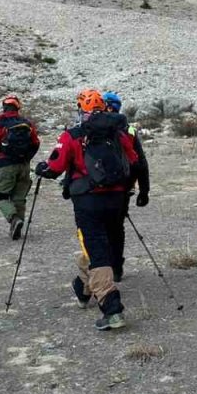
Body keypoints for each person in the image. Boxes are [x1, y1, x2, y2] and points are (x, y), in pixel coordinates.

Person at [36, 90, 141, 331]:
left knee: (96, 251)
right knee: (100, 246)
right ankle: (82, 289)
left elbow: (55, 166)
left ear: (80, 109)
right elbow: (133, 161)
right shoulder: (119, 133)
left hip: (87, 201)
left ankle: (112, 308)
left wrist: (43, 169)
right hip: (116, 199)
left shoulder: (72, 135)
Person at [102, 91, 151, 282]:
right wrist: (144, 191)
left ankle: (99, 266)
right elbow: (140, 163)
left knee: (97, 228)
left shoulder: (91, 127)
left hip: (95, 188)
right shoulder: (128, 130)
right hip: (123, 187)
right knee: (116, 228)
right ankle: (116, 267)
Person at [0, 95, 40, 240]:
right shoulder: (27, 123)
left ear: (4, 107)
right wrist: (27, 159)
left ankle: (13, 219)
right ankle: (18, 225)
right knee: (19, 198)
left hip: (5, 165)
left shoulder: (0, 124)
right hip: (24, 166)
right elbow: (36, 143)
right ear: (18, 107)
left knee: (1, 196)